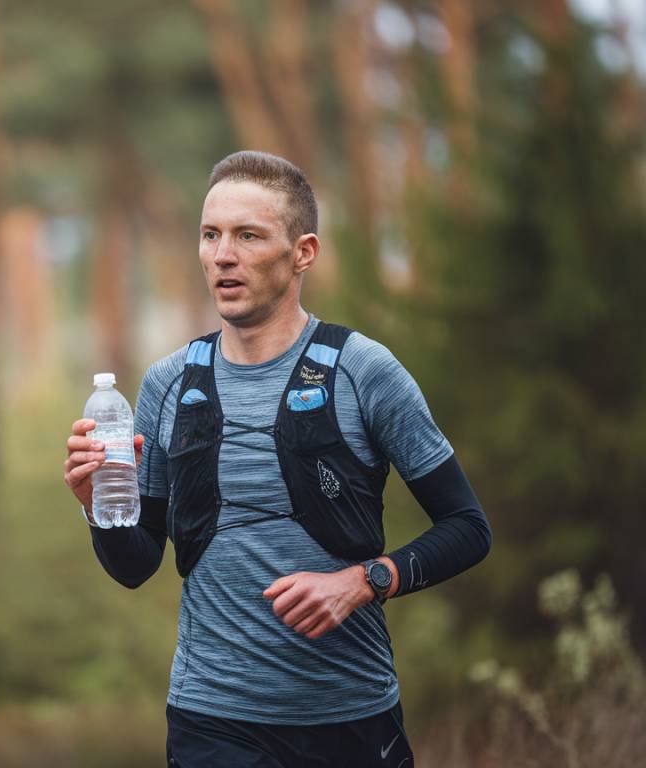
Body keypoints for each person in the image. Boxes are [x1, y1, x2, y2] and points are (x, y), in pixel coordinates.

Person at [63, 150, 491, 767]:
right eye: (210, 235)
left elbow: (469, 529)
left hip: (351, 716)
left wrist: (363, 582)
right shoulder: (167, 383)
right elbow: (135, 563)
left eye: (247, 235)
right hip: (212, 720)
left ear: (303, 253)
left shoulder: (363, 370)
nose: (222, 255)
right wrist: (96, 505)